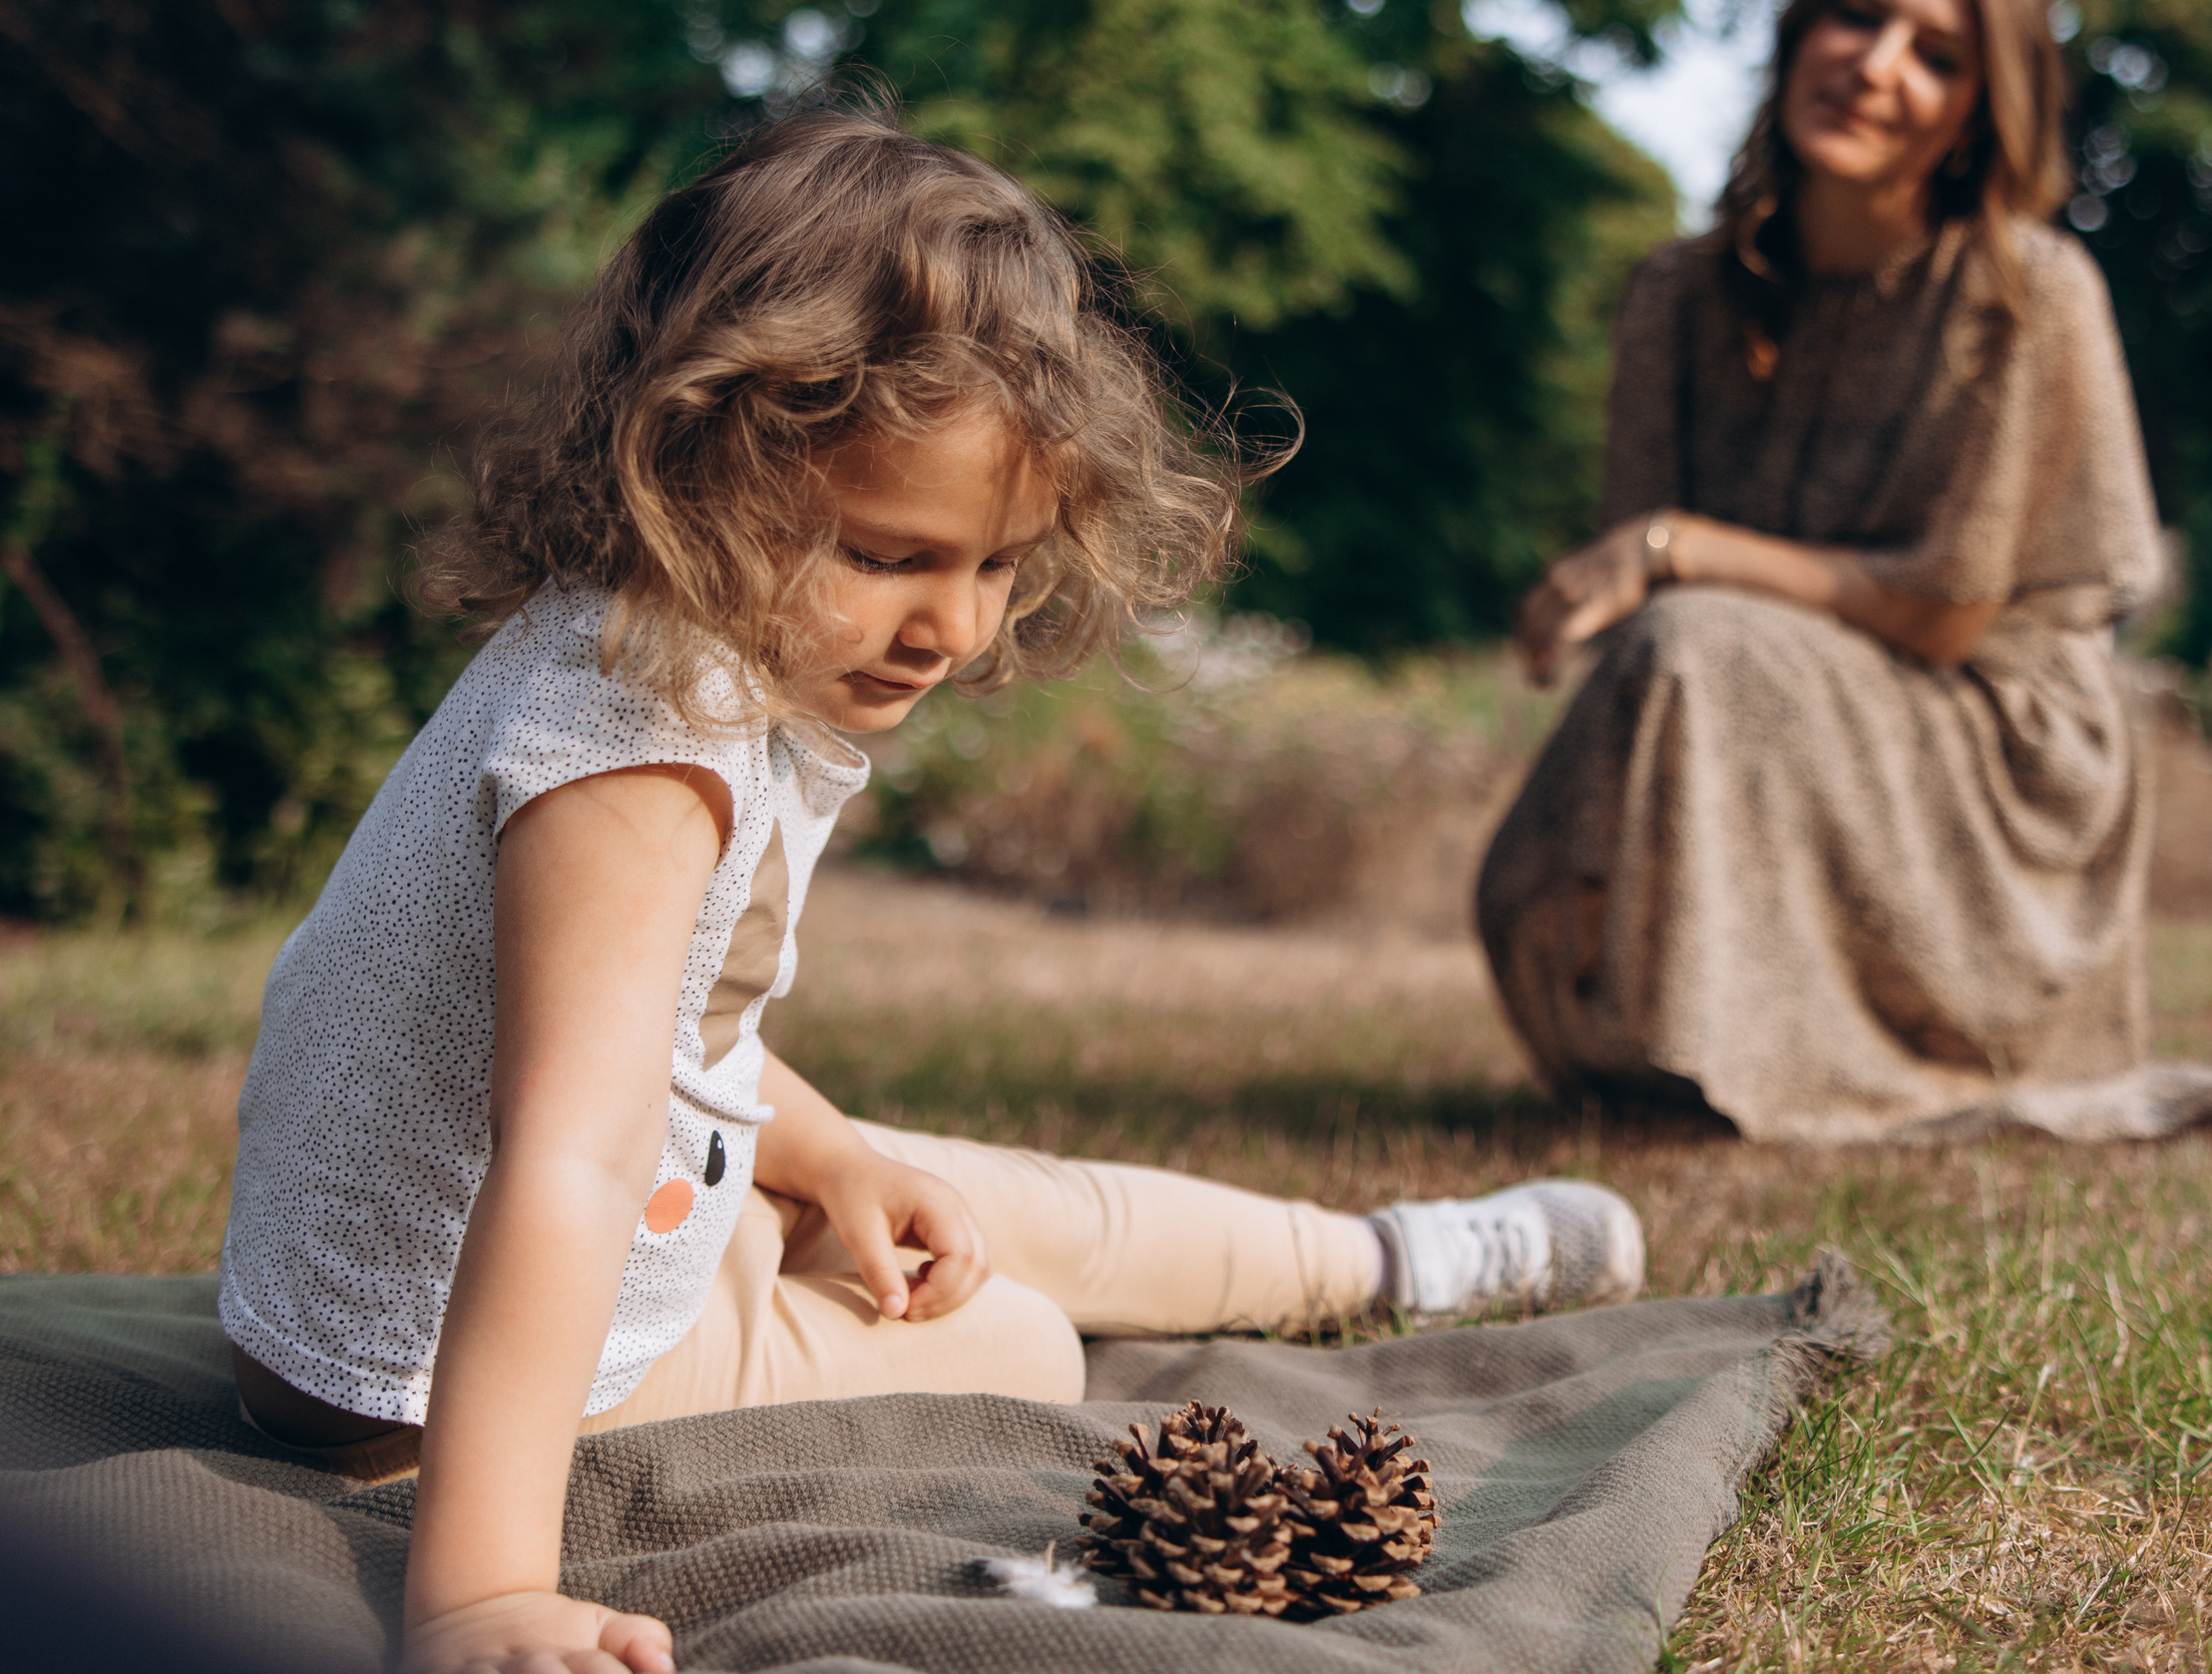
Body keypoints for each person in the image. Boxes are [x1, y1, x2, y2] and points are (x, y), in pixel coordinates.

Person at [217, 106, 1646, 1674]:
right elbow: (564, 1153)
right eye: (891, 554)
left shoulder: (649, 657)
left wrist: (821, 1158)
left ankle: (1386, 1260)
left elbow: (643, 1034)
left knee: (971, 1195)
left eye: (998, 564)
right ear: (702, 466)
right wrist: (483, 1593)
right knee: (1019, 1332)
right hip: (419, 1391)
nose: (954, 626)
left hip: (569, 1260)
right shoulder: (636, 748)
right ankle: (1370, 1264)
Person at [1476, 0, 2166, 1144]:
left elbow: (1945, 605)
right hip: (1752, 692)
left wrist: (1673, 549)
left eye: (1936, 54)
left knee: (1695, 640)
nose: (1877, 66)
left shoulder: (2026, 292)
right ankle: (1650, 1035)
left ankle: (1780, 1044)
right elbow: (1636, 603)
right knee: (1670, 657)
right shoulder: (1676, 295)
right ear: (1802, 26)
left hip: (2000, 742)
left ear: (1975, 108)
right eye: (1858, 16)